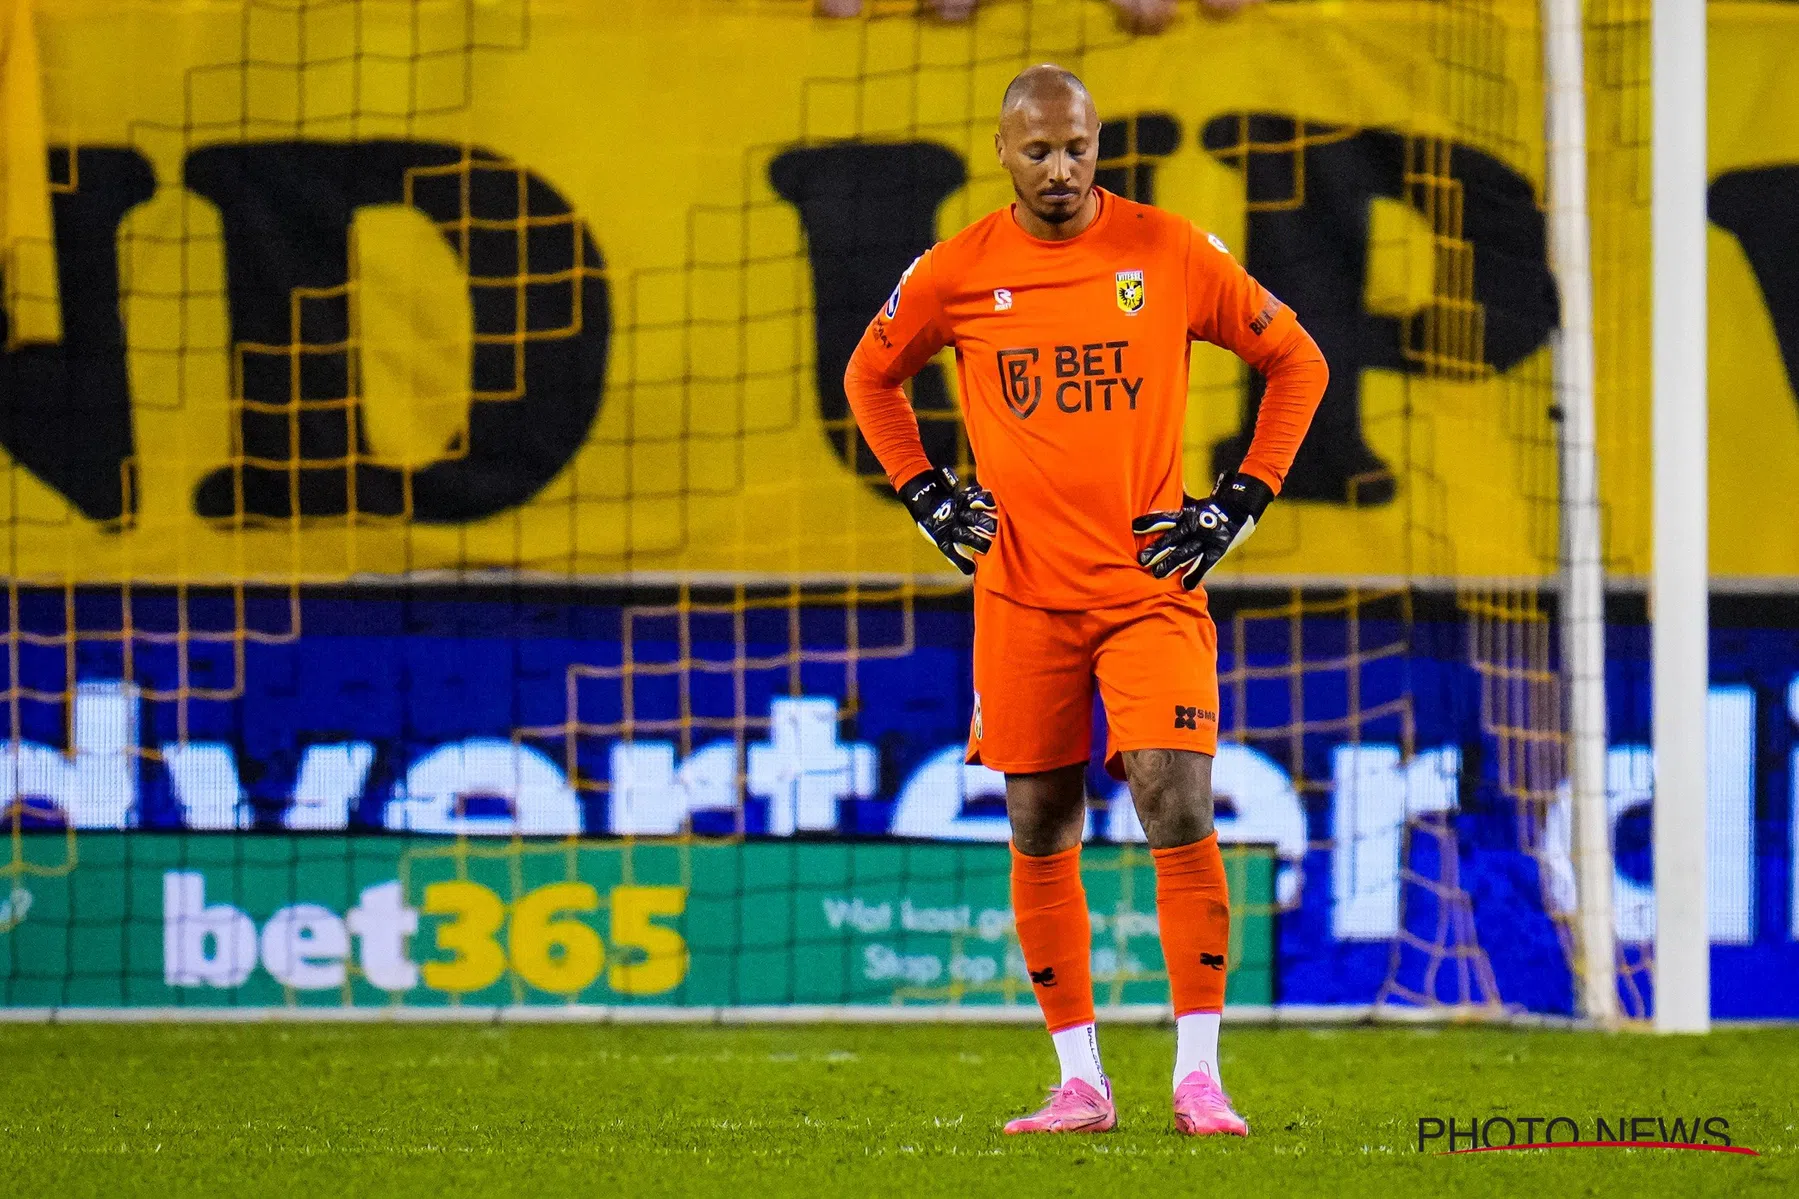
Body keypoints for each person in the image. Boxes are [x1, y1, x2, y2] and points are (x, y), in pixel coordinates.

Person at [841, 65, 1326, 1135]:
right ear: (1001, 152)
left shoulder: (1167, 250)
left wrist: (1238, 502)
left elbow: (1295, 359)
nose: (1059, 170)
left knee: (1175, 798)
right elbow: (867, 379)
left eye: (1077, 149)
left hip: (1147, 585)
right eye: (1037, 151)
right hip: (1019, 595)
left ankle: (1198, 1074)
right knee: (1036, 819)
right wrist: (925, 492)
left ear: (1097, 149)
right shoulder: (955, 269)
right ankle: (1080, 1080)